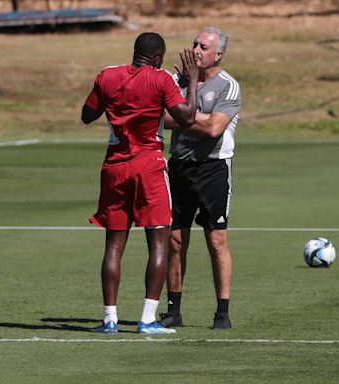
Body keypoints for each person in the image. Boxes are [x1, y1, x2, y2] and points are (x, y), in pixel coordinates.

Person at [81, 32, 199, 334]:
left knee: (113, 245)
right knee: (158, 241)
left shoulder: (107, 75)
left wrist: (114, 104)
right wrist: (193, 81)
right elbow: (186, 118)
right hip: (149, 165)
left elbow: (87, 115)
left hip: (115, 166)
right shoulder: (161, 80)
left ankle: (109, 318)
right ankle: (147, 319)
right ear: (158, 57)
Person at [158, 27, 242, 330]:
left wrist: (185, 117)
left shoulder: (228, 87)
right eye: (194, 44)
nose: (195, 50)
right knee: (175, 241)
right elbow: (162, 119)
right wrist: (191, 115)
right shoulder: (175, 82)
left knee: (216, 240)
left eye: (203, 47)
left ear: (217, 54)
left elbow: (213, 130)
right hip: (179, 167)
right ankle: (174, 310)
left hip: (213, 169)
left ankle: (222, 312)